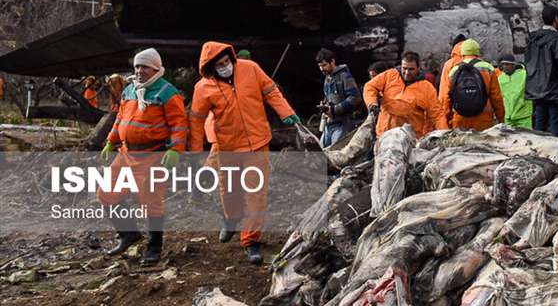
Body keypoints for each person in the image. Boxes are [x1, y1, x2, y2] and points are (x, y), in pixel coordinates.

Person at [188, 42, 300, 264]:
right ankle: (231, 218)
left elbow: (270, 90)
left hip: (258, 142)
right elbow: (197, 120)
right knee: (229, 191)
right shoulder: (203, 88)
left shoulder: (250, 68)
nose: (225, 67)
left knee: (256, 194)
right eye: (219, 65)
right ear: (210, 68)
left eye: (226, 62)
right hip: (227, 146)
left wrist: (286, 112)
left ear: (231, 57)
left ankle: (251, 241)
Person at [97, 48, 187, 264]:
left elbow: (179, 123)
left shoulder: (167, 92)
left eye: (144, 66)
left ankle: (154, 247)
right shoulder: (129, 90)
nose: (139, 70)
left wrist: (175, 150)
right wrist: (111, 141)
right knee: (106, 194)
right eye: (137, 66)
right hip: (127, 152)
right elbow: (120, 118)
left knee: (151, 201)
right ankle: (128, 234)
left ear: (156, 68)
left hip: (153, 155)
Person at [364, 51, 447, 138]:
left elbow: (437, 115)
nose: (407, 72)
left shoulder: (427, 87)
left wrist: (444, 135)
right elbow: (370, 87)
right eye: (404, 68)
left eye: (411, 69)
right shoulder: (390, 75)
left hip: (409, 139)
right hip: (384, 135)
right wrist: (372, 103)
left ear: (418, 68)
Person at [524, 5, 558, 137]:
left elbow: (528, 61)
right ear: (556, 19)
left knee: (540, 127)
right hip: (555, 89)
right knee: (556, 127)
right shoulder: (557, 39)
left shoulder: (532, 39)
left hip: (536, 89)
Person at [441, 39, 504, 131]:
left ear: (462, 53)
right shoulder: (488, 68)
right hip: (483, 119)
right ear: (478, 52)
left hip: (460, 119)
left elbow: (445, 98)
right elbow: (496, 97)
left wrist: (446, 121)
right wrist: (501, 118)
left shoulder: (454, 70)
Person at [315, 48, 363, 147]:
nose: (322, 69)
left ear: (332, 61)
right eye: (320, 66)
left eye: (324, 65)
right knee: (321, 154)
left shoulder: (345, 76)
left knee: (336, 153)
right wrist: (324, 104)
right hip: (328, 124)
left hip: (343, 124)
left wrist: (333, 110)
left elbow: (355, 98)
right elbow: (329, 97)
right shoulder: (327, 78)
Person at [496, 54, 533, 129]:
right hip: (508, 118)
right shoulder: (500, 78)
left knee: (526, 139)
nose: (504, 67)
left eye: (507, 64)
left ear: (513, 65)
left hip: (523, 116)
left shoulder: (525, 74)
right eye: (503, 65)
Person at [438, 34, 468, 124]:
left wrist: (445, 118)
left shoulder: (450, 64)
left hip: (458, 115)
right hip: (482, 117)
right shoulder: (483, 65)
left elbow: (444, 95)